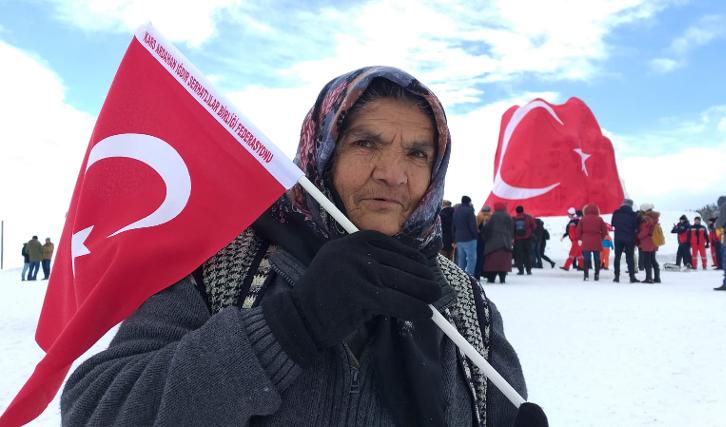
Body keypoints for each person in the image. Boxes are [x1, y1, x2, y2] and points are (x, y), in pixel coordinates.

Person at [60, 67, 531, 426]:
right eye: (367, 143)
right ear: (321, 151)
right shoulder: (225, 266)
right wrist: (290, 326)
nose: (394, 173)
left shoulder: (464, 304)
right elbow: (94, 408)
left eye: (417, 153)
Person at [480, 202, 514, 283]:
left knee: (492, 264)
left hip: (493, 244)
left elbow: (487, 229)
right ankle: (502, 279)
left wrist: (484, 237)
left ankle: (491, 278)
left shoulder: (493, 216)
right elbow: (512, 229)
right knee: (504, 263)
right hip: (506, 244)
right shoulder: (508, 216)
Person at [610, 198, 639, 283]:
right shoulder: (633, 214)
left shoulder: (616, 213)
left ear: (623, 204)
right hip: (630, 238)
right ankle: (632, 277)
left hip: (618, 237)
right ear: (631, 205)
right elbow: (636, 226)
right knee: (630, 257)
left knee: (617, 257)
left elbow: (613, 224)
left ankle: (616, 277)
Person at [576, 203, 606, 281]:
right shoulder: (600, 219)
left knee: (586, 258)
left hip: (586, 240)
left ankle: (586, 275)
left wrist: (579, 239)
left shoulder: (583, 219)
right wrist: (601, 237)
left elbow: (578, 231)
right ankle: (597, 275)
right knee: (597, 258)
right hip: (597, 240)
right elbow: (604, 231)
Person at [453, 195, 478, 275]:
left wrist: (454, 238)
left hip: (459, 238)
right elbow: (472, 225)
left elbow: (453, 225)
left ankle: (461, 277)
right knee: (471, 259)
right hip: (469, 239)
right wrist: (475, 235)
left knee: (461, 259)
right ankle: (470, 277)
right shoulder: (469, 210)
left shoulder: (456, 210)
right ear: (469, 202)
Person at [637, 203, 661, 283]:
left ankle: (649, 278)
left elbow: (644, 232)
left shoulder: (646, 218)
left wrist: (637, 236)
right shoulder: (654, 217)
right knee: (653, 259)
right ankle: (657, 277)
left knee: (647, 260)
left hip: (647, 242)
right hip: (654, 242)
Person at [512, 205, 536, 275]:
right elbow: (534, 226)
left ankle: (521, 270)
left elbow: (512, 229)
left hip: (518, 240)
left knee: (519, 255)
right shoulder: (528, 217)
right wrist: (530, 232)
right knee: (528, 255)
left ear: (516, 211)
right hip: (527, 239)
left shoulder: (514, 218)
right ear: (523, 210)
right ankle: (528, 270)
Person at [475, 205, 492, 280]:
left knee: (479, 257)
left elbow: (476, 228)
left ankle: (478, 274)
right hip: (488, 240)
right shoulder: (491, 217)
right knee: (487, 257)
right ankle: (486, 273)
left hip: (479, 239)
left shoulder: (478, 216)